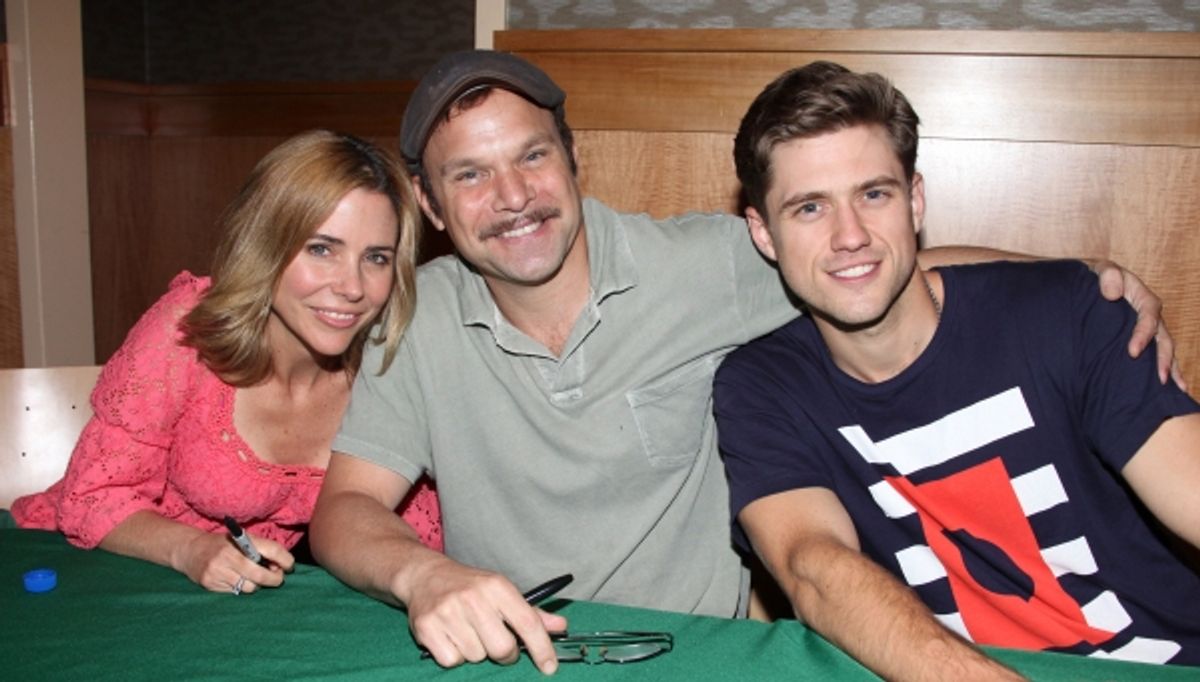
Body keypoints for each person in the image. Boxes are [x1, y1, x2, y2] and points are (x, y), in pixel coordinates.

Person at [308, 50, 1176, 675]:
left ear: (574, 158)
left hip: (695, 658)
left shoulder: (708, 264)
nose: (513, 197)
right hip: (505, 657)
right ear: (427, 201)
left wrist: (1084, 282)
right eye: (471, 175)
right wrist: (425, 576)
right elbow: (345, 508)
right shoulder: (413, 317)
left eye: (533, 155)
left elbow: (862, 260)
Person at [714, 61, 1200, 679]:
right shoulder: (763, 386)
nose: (850, 236)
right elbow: (815, 567)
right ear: (763, 233)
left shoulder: (1069, 314)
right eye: (810, 208)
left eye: (874, 194)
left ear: (914, 200)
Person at [11, 130, 441, 595]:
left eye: (376, 258)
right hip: (100, 576)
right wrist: (192, 549)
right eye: (321, 249)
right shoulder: (186, 334)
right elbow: (92, 496)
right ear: (265, 245)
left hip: (260, 600)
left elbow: (425, 524)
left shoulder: (390, 362)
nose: (353, 287)